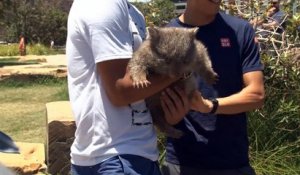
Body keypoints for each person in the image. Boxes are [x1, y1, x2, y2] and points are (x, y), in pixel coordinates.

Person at [66, 0, 181, 174]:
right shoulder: (102, 4)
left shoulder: (133, 13)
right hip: (114, 157)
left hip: (134, 154)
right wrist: (180, 70)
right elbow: (121, 91)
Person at [159, 0, 265, 175]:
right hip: (181, 162)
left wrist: (209, 106)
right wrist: (168, 118)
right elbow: (154, 101)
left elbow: (256, 94)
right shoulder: (165, 36)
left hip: (233, 162)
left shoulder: (240, 30)